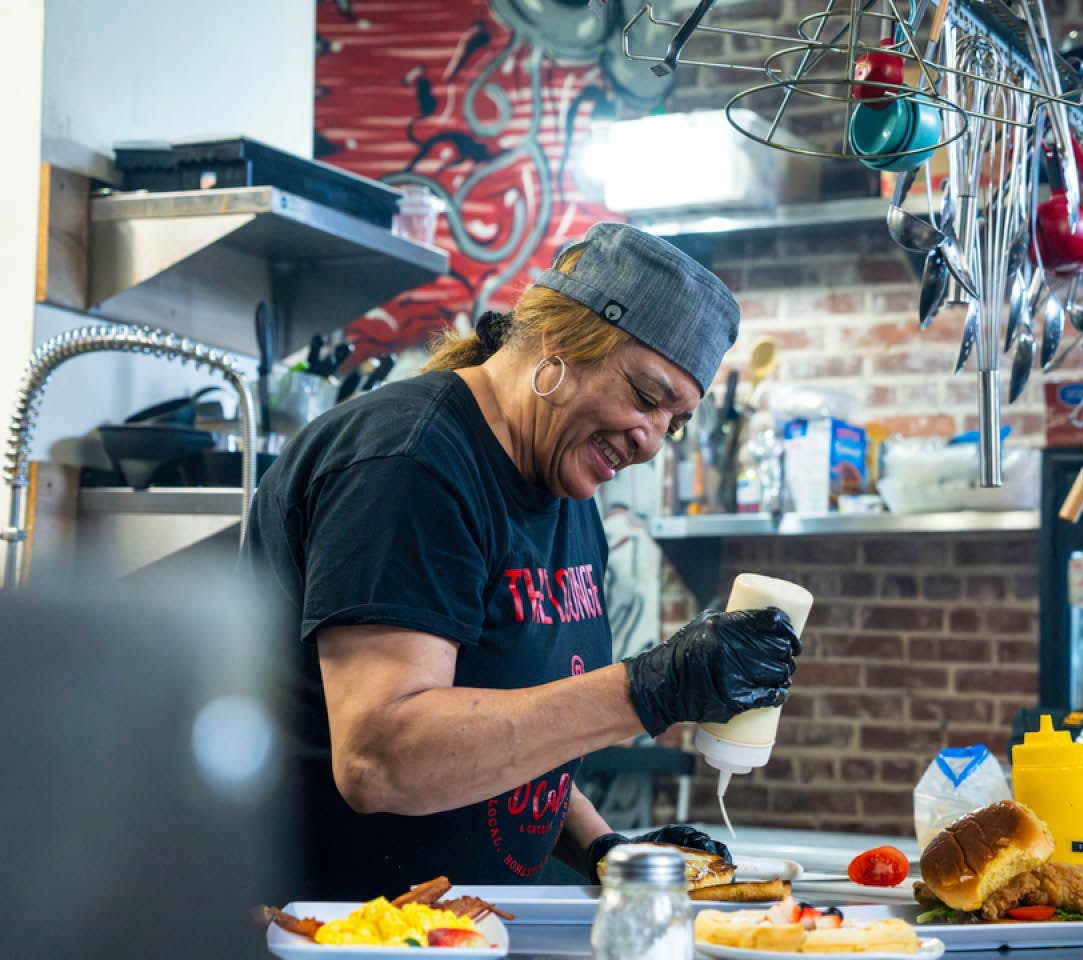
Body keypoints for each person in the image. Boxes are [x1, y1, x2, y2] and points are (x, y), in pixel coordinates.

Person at [242, 221, 801, 898]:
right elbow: (379, 759)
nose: (652, 441)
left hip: (471, 926)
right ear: (561, 341)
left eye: (673, 422)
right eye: (648, 398)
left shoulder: (563, 485)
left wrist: (604, 848)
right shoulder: (409, 463)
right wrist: (649, 688)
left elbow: (510, 728)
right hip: (346, 931)